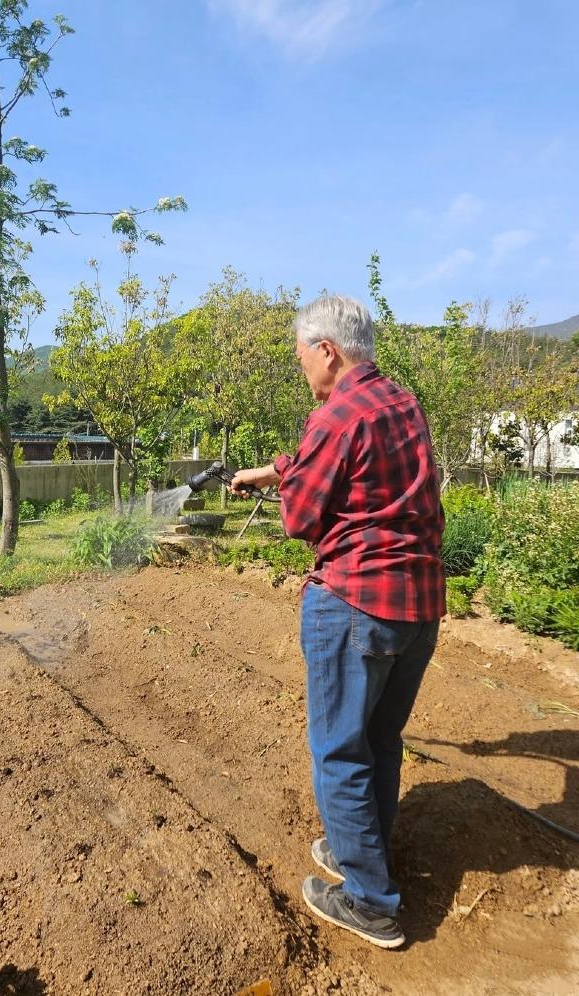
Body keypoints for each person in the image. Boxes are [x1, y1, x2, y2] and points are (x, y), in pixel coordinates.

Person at [231, 294, 445, 949]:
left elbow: (301, 520)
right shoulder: (402, 402)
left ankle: (371, 902)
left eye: (302, 358)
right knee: (379, 741)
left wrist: (285, 488)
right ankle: (366, 851)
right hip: (418, 608)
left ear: (326, 350)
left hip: (355, 603)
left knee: (340, 752)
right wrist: (269, 471)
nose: (303, 370)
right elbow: (352, 466)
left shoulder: (332, 416)